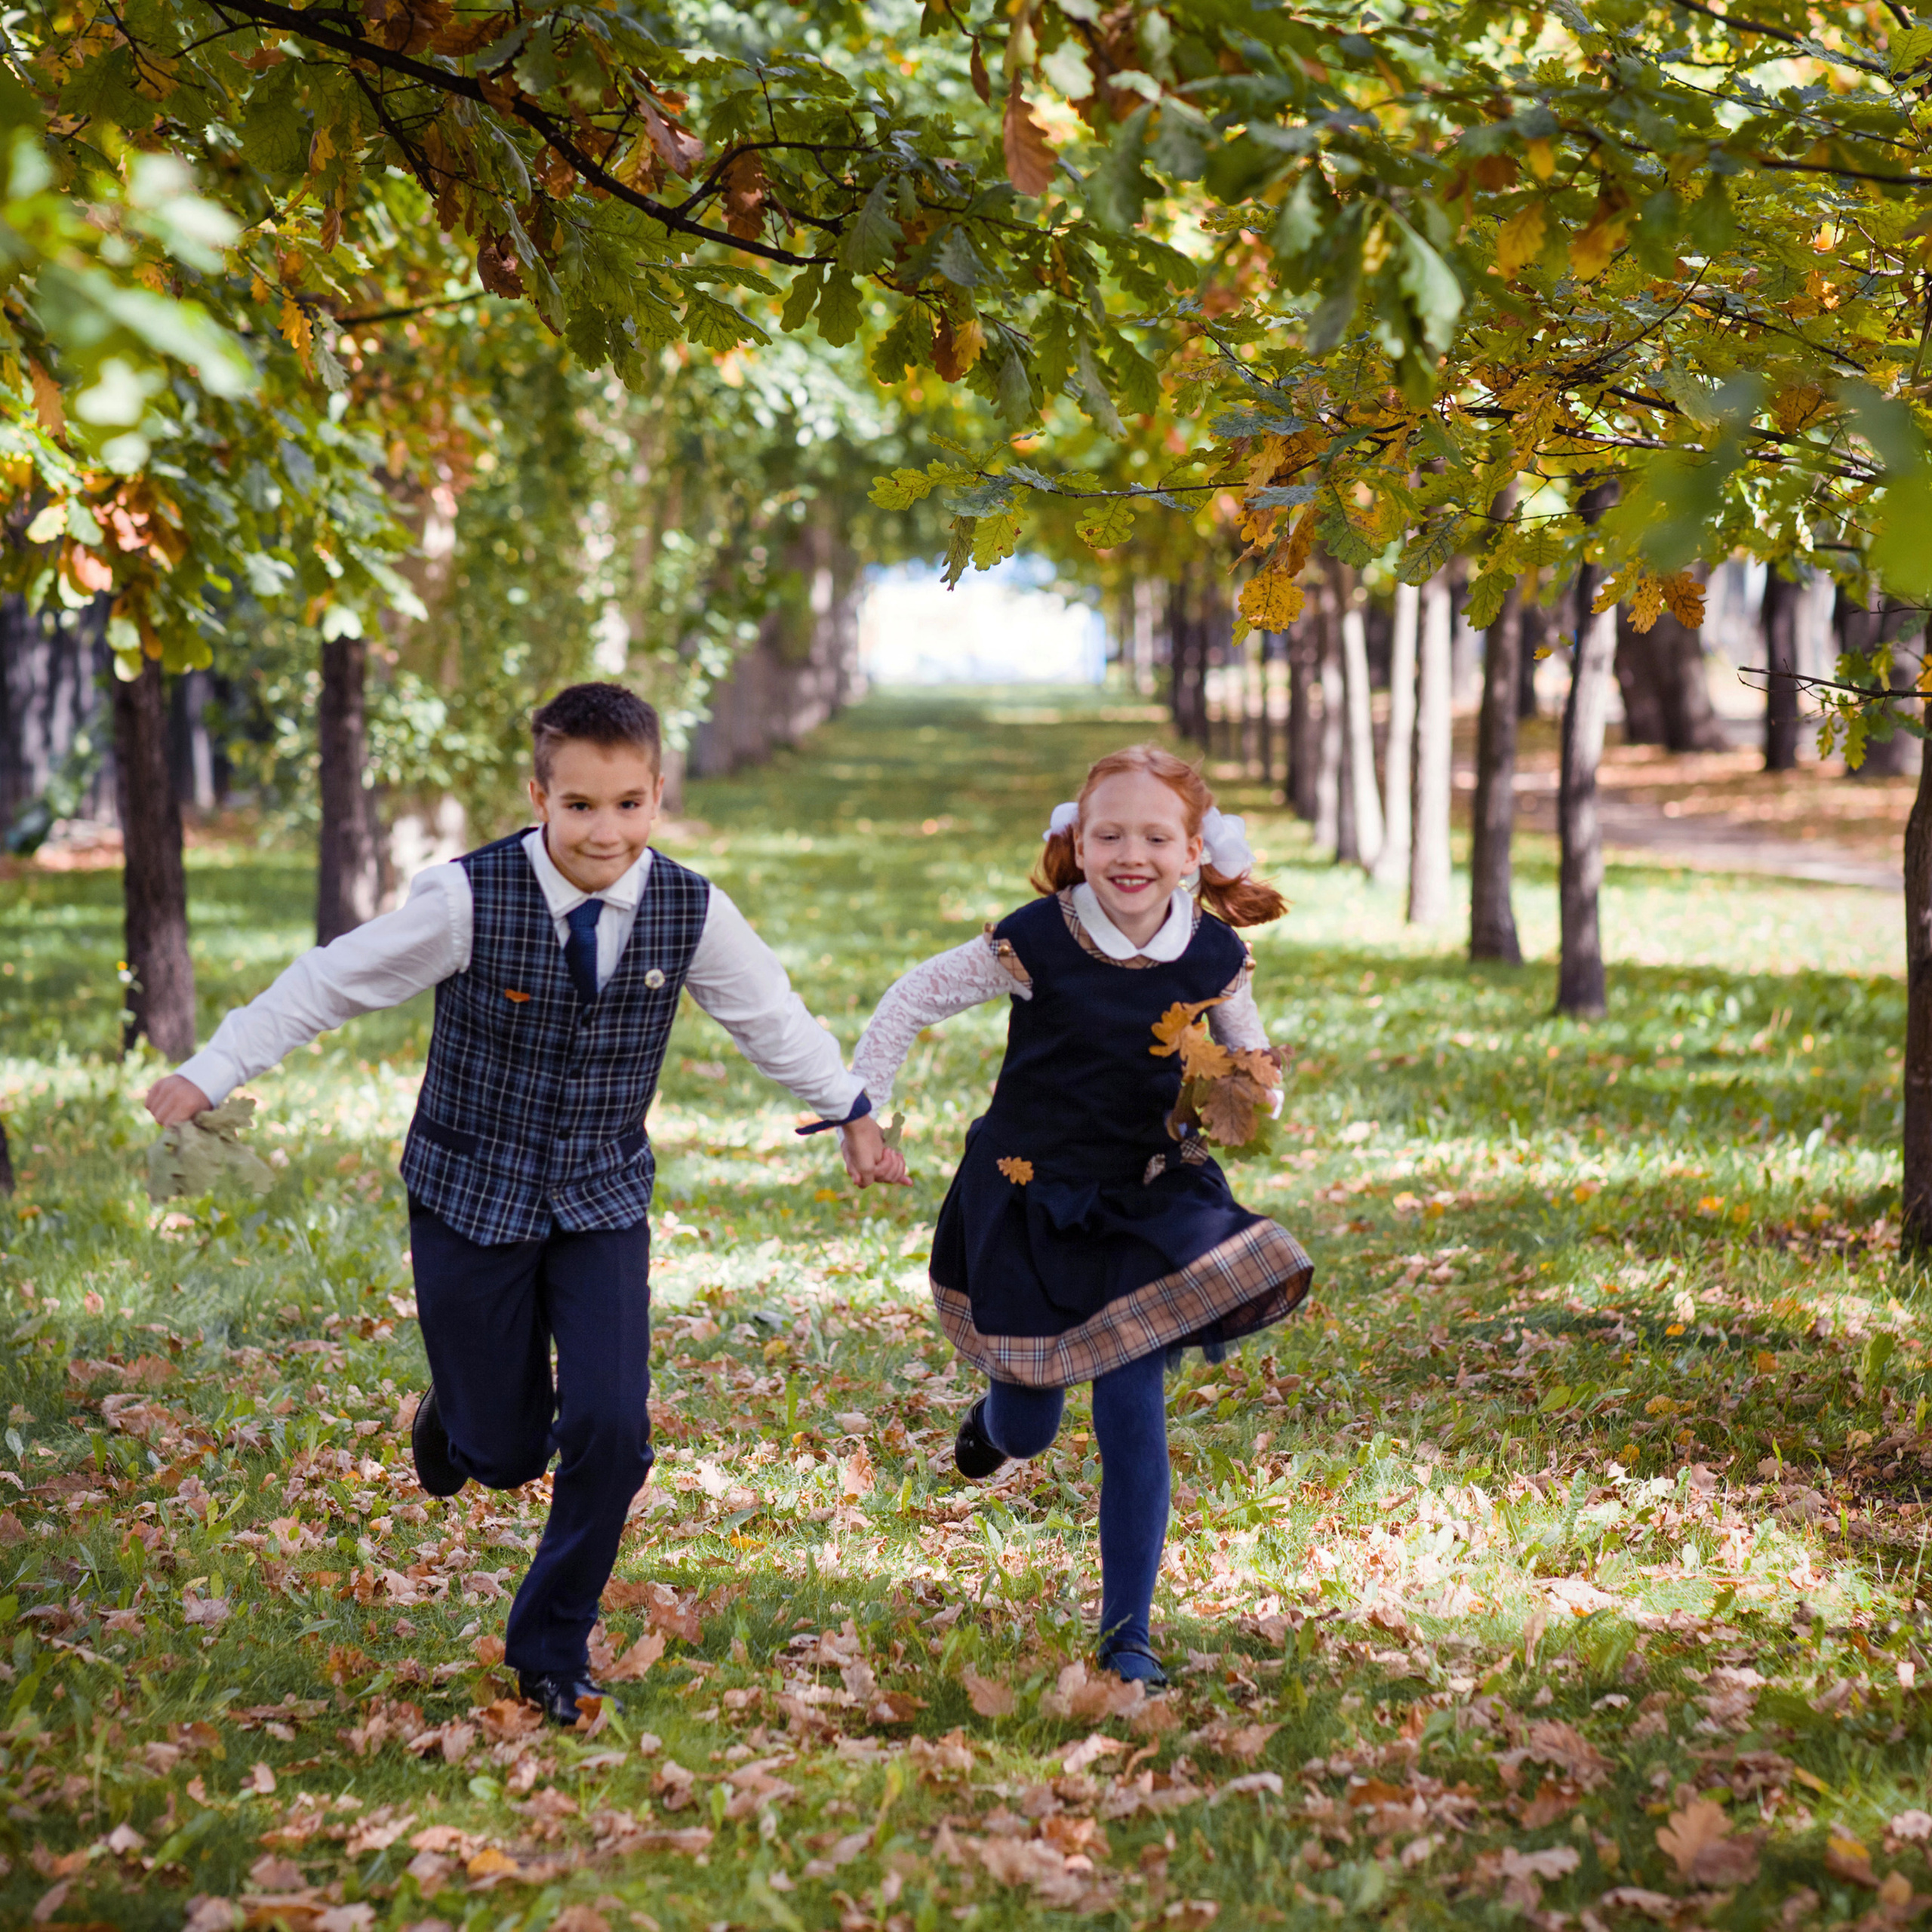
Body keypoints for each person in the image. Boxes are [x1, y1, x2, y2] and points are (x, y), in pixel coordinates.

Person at [145, 683, 888, 1725]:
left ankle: (549, 1646)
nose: (605, 830)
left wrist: (851, 1109)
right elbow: (329, 984)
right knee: (502, 1454)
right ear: (539, 795)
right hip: (469, 1194)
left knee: (613, 1426)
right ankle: (454, 1421)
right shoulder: (466, 900)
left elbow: (772, 1018)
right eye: (580, 805)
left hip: (599, 1197)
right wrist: (214, 1068)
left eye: (629, 804)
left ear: (658, 796)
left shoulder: (688, 908)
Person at [839, 745, 1311, 1684]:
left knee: (1133, 1411)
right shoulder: (1037, 940)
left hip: (1146, 1199)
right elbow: (907, 1002)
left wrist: (1249, 1088)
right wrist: (863, 1114)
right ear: (1077, 842)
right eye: (1109, 834)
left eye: (1154, 836)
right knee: (1030, 1424)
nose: (1130, 853)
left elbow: (1251, 1058)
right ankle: (993, 1423)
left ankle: (1126, 1635)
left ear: (1191, 854)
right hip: (1031, 1194)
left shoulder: (1215, 952)